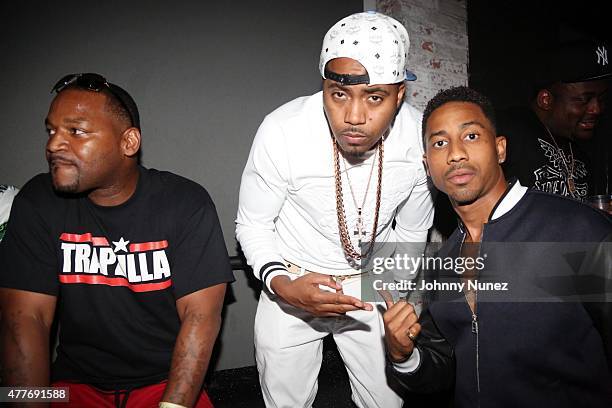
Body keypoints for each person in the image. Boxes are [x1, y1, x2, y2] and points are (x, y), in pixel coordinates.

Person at [236, 11, 434, 408]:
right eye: (338, 94)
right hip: (292, 280)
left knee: (386, 402)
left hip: (371, 282)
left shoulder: (418, 138)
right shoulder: (284, 130)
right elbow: (253, 224)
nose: (354, 116)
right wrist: (282, 284)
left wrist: (385, 286)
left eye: (375, 97)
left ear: (399, 94)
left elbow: (413, 234)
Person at [0, 73, 235, 408]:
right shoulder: (37, 201)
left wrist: (173, 406)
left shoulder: (185, 202)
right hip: (70, 384)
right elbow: (25, 318)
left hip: (165, 381)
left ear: (128, 143)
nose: (53, 144)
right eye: (51, 130)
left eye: (76, 131)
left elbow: (201, 316)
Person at [383, 86, 612, 407]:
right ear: (427, 164)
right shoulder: (442, 264)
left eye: (471, 136)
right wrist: (403, 354)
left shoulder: (577, 230)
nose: (455, 153)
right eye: (439, 142)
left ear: (500, 148)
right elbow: (444, 367)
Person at [499, 40, 612, 200]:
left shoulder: (583, 150)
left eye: (602, 99)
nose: (596, 109)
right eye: (584, 100)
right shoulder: (507, 134)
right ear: (546, 99)